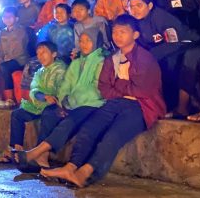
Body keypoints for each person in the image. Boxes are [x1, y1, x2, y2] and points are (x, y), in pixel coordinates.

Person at [40, 14, 166, 188]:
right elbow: (104, 88)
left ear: (135, 35)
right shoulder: (112, 58)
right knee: (88, 128)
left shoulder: (145, 58)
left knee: (112, 136)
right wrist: (123, 87)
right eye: (115, 32)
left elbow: (142, 90)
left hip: (140, 106)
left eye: (123, 32)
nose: (118, 36)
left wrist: (118, 84)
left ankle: (85, 173)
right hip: (114, 102)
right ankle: (70, 167)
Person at [15, 29, 106, 172]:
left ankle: (38, 154)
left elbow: (96, 88)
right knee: (43, 114)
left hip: (91, 103)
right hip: (69, 103)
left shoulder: (101, 61)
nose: (83, 44)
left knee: (55, 115)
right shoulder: (76, 63)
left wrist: (68, 102)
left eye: (88, 41)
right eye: (81, 41)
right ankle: (36, 156)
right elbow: (65, 86)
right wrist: (64, 101)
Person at [0, 41, 66, 164]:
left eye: (44, 52)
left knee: (48, 114)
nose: (40, 56)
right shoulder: (40, 71)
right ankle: (16, 148)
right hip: (39, 104)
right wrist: (43, 96)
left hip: (55, 105)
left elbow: (60, 90)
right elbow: (34, 89)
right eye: (38, 53)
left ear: (54, 54)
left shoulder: (61, 69)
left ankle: (41, 153)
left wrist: (49, 96)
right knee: (17, 114)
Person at [128, 0, 198, 110]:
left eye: (139, 6)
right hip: (162, 49)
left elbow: (173, 42)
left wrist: (149, 55)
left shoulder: (160, 17)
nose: (135, 10)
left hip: (184, 43)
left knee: (168, 63)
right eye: (131, 7)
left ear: (149, 6)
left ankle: (174, 105)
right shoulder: (135, 21)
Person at [0, 7, 29, 107]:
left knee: (5, 67)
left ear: (16, 18)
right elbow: (0, 50)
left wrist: (6, 59)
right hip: (7, 60)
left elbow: (20, 50)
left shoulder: (21, 31)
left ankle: (10, 98)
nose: (7, 19)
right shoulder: (2, 32)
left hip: (20, 60)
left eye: (10, 17)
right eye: (4, 17)